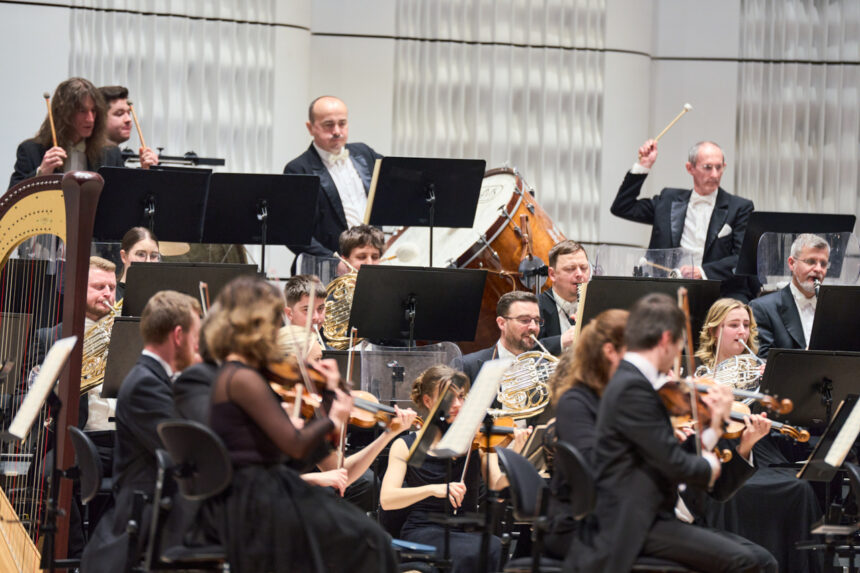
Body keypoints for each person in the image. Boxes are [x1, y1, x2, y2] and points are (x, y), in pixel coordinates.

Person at [192, 276, 397, 572]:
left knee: (369, 538)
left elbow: (305, 453)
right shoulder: (242, 378)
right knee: (370, 541)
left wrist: (328, 403)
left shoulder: (241, 374)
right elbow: (296, 446)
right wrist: (332, 417)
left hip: (269, 491)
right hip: (255, 501)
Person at [564, 293, 774, 572]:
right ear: (666, 340)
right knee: (747, 563)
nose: (678, 356)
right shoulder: (634, 387)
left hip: (657, 515)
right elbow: (677, 466)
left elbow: (676, 464)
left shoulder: (638, 384)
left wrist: (711, 431)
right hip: (634, 523)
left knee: (759, 560)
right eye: (679, 344)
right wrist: (711, 446)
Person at [695, 298, 823, 573]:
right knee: (731, 495)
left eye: (746, 325)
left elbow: (788, 412)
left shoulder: (762, 371)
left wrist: (773, 383)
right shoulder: (699, 373)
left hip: (760, 449)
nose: (742, 331)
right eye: (733, 325)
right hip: (719, 452)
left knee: (799, 489)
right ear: (715, 331)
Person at [81, 290, 202, 571]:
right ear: (178, 336)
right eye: (197, 336)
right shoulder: (145, 384)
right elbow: (186, 451)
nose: (199, 345)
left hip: (165, 500)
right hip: (153, 511)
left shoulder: (155, 377)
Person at [379, 364, 528, 573]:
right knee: (478, 550)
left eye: (461, 397)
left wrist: (517, 455)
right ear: (428, 401)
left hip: (467, 529)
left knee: (494, 546)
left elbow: (498, 489)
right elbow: (387, 499)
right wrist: (433, 489)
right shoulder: (407, 445)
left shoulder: (477, 440)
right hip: (424, 530)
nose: (457, 404)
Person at [610, 139, 757, 301]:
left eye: (719, 167)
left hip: (720, 291)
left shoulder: (739, 207)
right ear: (690, 168)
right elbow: (622, 206)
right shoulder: (668, 200)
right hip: (667, 291)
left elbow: (742, 258)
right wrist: (644, 165)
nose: (715, 174)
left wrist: (702, 272)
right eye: (708, 167)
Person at [284, 96, 383, 263]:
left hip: (371, 262)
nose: (337, 131)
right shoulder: (298, 169)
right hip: (325, 268)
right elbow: (293, 233)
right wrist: (334, 262)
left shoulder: (365, 153)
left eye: (342, 123)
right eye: (328, 125)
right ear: (310, 128)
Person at [9, 77, 124, 189]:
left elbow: (122, 196)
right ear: (63, 113)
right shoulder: (31, 151)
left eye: (93, 111)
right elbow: (12, 198)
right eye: (82, 111)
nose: (90, 119)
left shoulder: (110, 153)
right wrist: (41, 173)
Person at [749, 233, 830, 358]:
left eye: (823, 264)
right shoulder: (762, 308)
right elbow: (762, 359)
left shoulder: (834, 309)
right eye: (811, 262)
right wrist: (805, 356)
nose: (818, 269)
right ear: (792, 263)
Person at [460, 291, 560, 384]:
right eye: (525, 320)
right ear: (502, 323)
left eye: (537, 321)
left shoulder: (545, 368)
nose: (533, 327)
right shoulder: (468, 366)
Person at [537, 240, 591, 351]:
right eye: (570, 269)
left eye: (584, 268)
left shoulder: (598, 305)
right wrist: (561, 341)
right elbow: (523, 352)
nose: (579, 274)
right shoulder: (535, 307)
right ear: (552, 274)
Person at [98, 85, 159, 168]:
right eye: (119, 114)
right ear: (99, 117)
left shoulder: (113, 151)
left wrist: (146, 170)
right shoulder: (107, 151)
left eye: (128, 113)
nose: (128, 119)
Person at [116, 226, 161, 301]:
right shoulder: (110, 294)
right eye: (140, 254)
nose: (148, 262)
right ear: (123, 256)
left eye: (153, 256)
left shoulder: (161, 295)